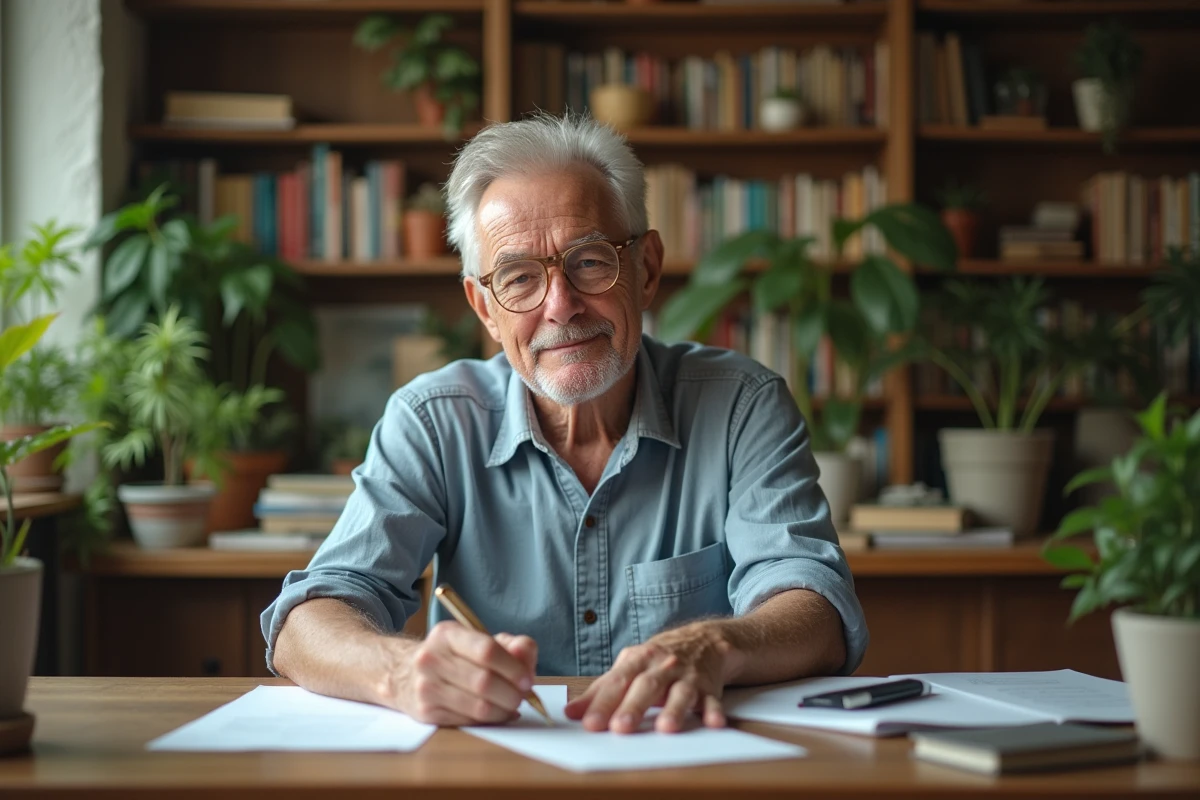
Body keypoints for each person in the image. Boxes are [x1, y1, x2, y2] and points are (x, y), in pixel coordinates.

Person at [263, 112, 867, 734]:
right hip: (495, 766)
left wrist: (715, 645)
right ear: (485, 308)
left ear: (647, 269)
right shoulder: (433, 421)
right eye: (520, 278)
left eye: (589, 262)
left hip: (680, 756)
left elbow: (814, 603)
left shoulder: (743, 405)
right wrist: (399, 671)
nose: (560, 306)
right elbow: (309, 619)